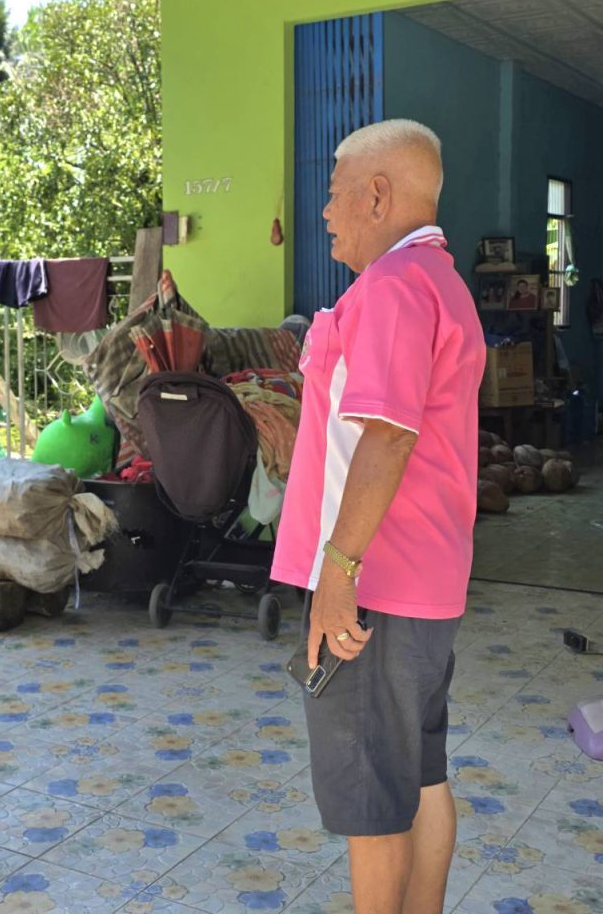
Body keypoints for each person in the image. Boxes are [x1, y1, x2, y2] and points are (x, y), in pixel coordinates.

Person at [271, 119, 484, 914]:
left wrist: (338, 572)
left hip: (376, 589)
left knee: (373, 805)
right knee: (420, 777)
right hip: (424, 586)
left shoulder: (395, 286)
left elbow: (388, 435)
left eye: (333, 194)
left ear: (378, 195)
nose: (325, 212)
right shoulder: (439, 281)